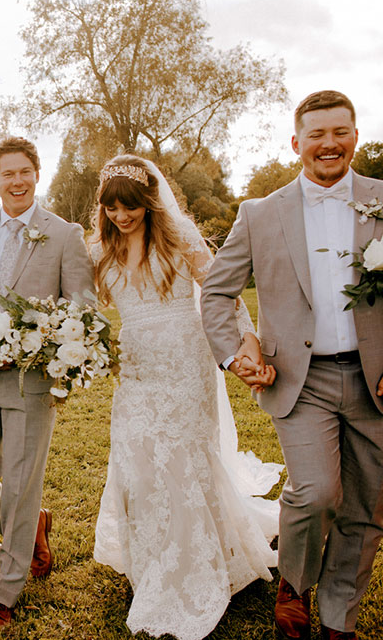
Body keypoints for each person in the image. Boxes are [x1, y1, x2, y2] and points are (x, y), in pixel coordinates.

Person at [201, 90, 383, 640]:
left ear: (355, 135)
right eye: (317, 134)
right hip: (300, 380)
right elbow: (216, 292)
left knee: (370, 503)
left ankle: (337, 616)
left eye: (340, 132)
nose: (329, 144)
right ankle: (295, 583)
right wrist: (237, 352)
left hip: (376, 380)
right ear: (296, 142)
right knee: (316, 491)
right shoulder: (260, 214)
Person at [89, 154, 282, 640]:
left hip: (184, 362)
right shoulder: (102, 248)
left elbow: (223, 292)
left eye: (129, 206)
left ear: (148, 200)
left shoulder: (179, 236)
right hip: (134, 367)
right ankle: (153, 558)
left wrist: (247, 340)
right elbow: (76, 300)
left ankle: (194, 562)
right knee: (138, 463)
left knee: (181, 458)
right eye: (111, 208)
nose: (121, 216)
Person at [0, 137, 95, 631]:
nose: (17, 181)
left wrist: (46, 343)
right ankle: (33, 527)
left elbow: (82, 307)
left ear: (37, 174)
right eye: (7, 173)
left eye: (25, 172)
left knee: (20, 487)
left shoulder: (64, 234)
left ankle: (5, 592)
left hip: (32, 382)